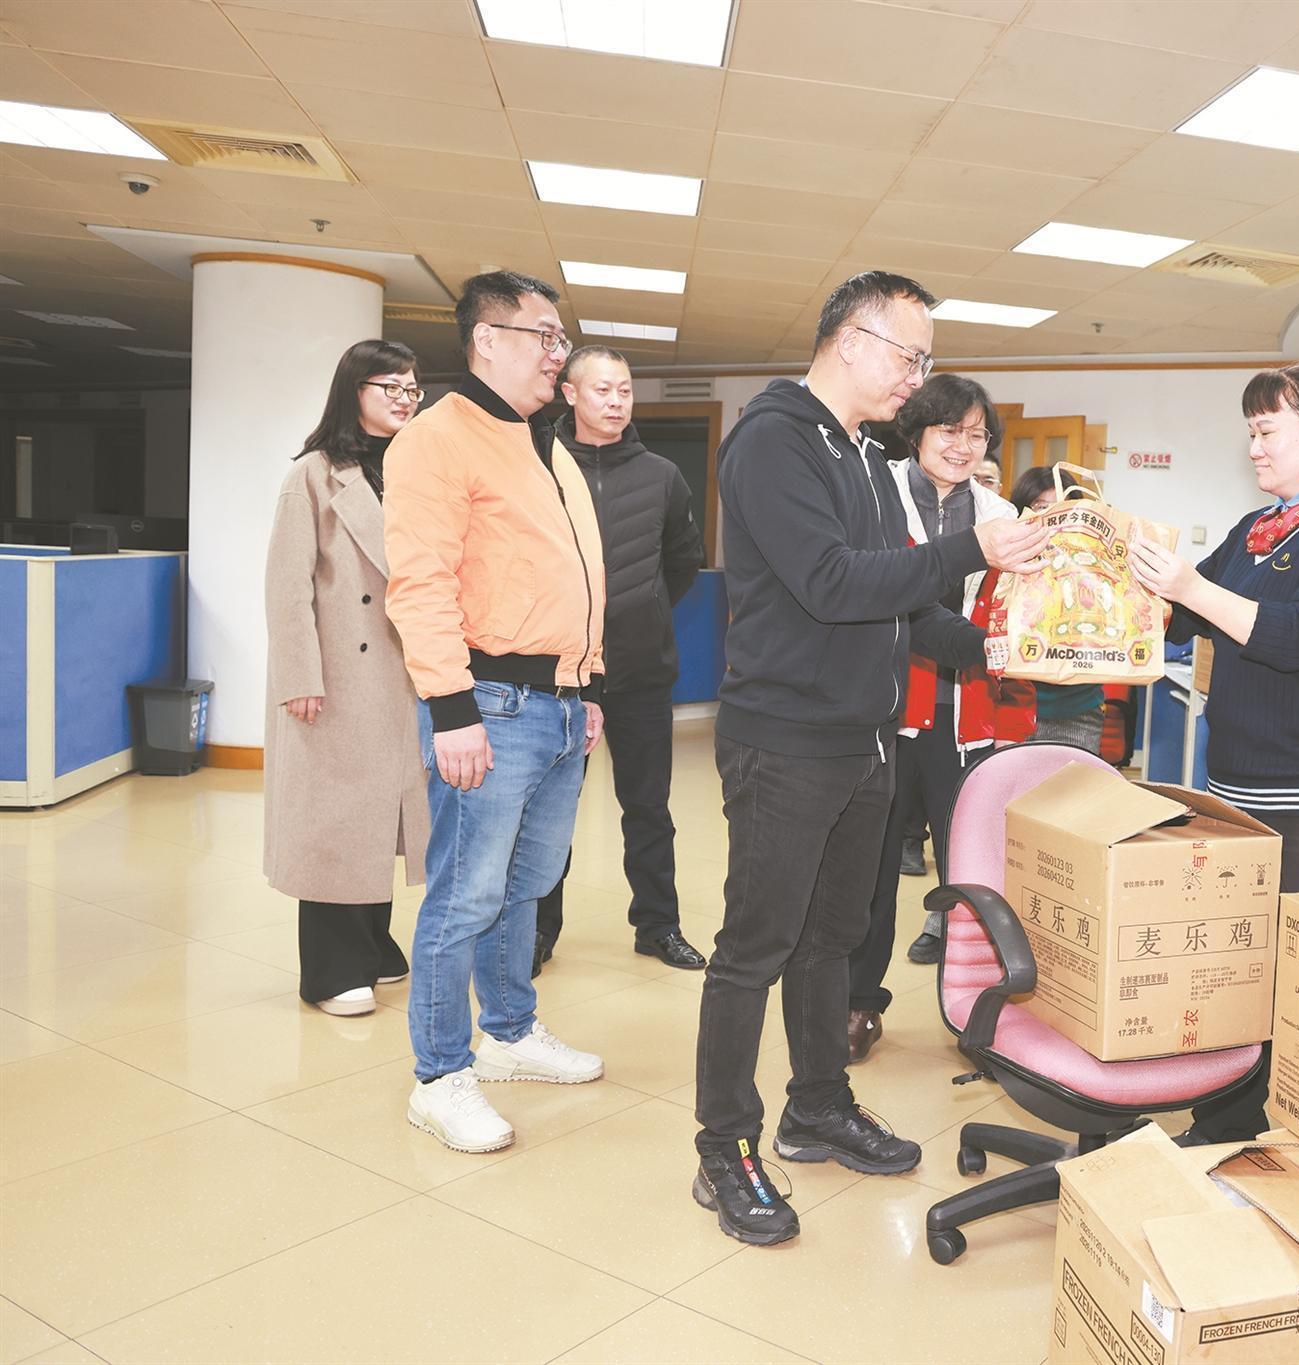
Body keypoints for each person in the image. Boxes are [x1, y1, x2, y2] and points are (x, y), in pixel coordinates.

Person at [693, 271, 1049, 1246]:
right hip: (784, 740)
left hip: (863, 740)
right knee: (755, 949)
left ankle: (817, 1104)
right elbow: (830, 582)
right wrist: (975, 547)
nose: (916, 378)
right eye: (908, 356)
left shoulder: (858, 452)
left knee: (831, 941)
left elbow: (899, 601)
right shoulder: (773, 439)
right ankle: (724, 1146)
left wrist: (995, 649)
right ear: (850, 341)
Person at [1130, 362, 1299, 1142]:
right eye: (1250, 431)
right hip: (1240, 785)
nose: (1254, 446)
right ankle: (1226, 1122)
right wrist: (1133, 583)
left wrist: (1192, 588)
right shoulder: (1260, 529)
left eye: (1267, 430)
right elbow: (1187, 618)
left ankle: (1267, 1133)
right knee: (1237, 970)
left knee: (1294, 978)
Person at [382, 271, 610, 1155]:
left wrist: (587, 685)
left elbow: (575, 579)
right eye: (544, 336)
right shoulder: (436, 439)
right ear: (486, 338)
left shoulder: (543, 445)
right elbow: (421, 583)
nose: (558, 354)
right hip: (490, 702)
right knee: (465, 894)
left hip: (559, 703)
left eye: (560, 339)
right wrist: (451, 709)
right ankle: (440, 1075)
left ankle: (509, 1031)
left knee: (527, 884)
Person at [846, 374, 1028, 1062]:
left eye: (977, 434)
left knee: (972, 874)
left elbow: (1014, 615)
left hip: (968, 718)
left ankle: (974, 1012)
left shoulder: (1003, 513)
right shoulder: (877, 492)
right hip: (887, 714)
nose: (963, 445)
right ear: (917, 431)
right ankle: (858, 1003)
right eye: (949, 429)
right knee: (870, 873)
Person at [263, 340, 429, 1017]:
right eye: (390, 386)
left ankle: (374, 943)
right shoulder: (312, 474)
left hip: (403, 672)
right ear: (353, 390)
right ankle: (331, 971)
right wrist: (299, 675)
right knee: (336, 818)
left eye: (412, 388)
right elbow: (287, 586)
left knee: (383, 813)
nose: (404, 399)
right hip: (336, 675)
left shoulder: (413, 468)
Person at [532, 345, 707, 974]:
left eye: (625, 390)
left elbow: (683, 561)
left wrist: (643, 610)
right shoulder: (539, 464)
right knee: (550, 811)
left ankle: (658, 926)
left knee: (648, 807)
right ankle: (538, 930)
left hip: (640, 670)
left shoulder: (662, 475)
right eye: (602, 390)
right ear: (570, 394)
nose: (615, 402)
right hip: (557, 674)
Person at [1006, 465, 1107, 755]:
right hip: (1010, 709)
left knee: (1074, 786)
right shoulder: (1003, 562)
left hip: (1078, 711)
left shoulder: (1097, 566)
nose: (1053, 517)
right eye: (1041, 507)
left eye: (1064, 508)